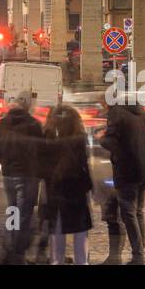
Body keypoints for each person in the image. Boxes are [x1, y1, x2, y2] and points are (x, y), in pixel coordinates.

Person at [98, 94, 145, 265]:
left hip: (127, 170)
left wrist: (101, 137)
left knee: (128, 213)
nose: (102, 107)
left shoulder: (116, 114)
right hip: (144, 168)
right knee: (138, 212)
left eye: (103, 103)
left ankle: (138, 256)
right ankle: (139, 254)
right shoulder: (139, 112)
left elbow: (112, 142)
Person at [0, 91, 44, 263]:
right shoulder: (34, 125)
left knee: (12, 211)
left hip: (9, 174)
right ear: (28, 106)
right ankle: (18, 252)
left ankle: (10, 245)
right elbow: (41, 150)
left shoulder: (2, 124)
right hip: (28, 175)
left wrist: (5, 163)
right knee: (24, 215)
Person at [40, 104, 93, 265]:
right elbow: (84, 163)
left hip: (55, 187)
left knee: (57, 229)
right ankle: (82, 262)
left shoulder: (48, 137)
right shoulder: (80, 138)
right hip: (76, 187)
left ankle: (57, 261)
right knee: (80, 231)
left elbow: (44, 165)